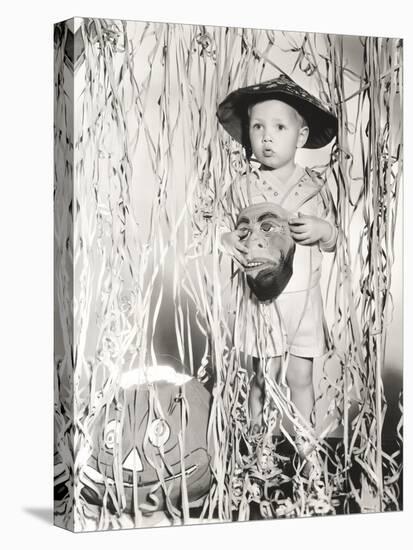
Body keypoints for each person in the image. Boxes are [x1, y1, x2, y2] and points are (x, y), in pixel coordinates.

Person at [216, 74, 339, 474]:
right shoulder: (241, 186)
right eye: (258, 127)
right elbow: (223, 228)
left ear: (301, 135)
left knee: (301, 377)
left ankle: (308, 451)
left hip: (305, 300)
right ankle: (261, 450)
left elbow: (336, 237)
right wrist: (226, 239)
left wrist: (324, 231)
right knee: (263, 378)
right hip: (261, 301)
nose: (267, 137)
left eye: (279, 128)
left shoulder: (316, 186)